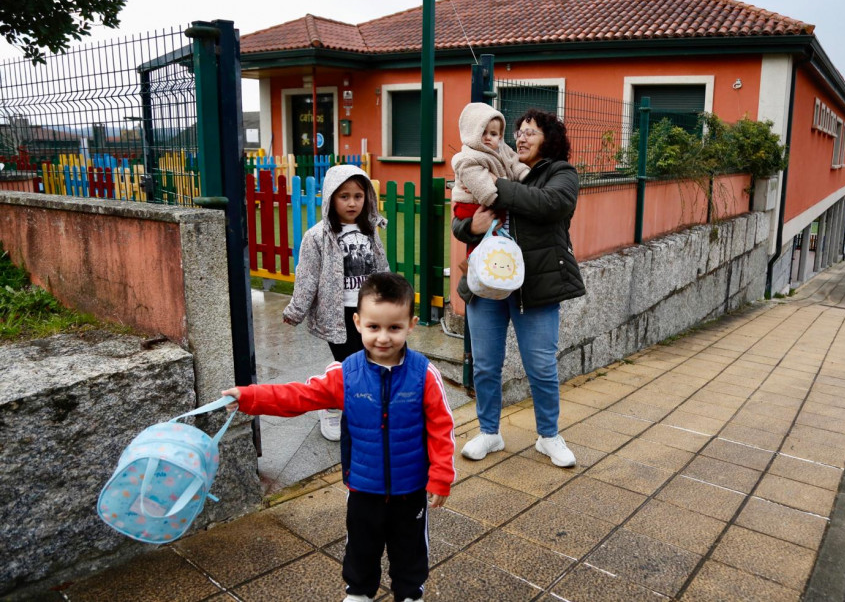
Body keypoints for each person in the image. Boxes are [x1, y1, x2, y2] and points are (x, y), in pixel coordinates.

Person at [222, 273, 455, 602]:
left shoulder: (424, 374)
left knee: (411, 550)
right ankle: (359, 593)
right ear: (358, 322)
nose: (383, 338)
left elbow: (441, 426)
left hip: (411, 489)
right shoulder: (345, 374)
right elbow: (299, 396)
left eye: (394, 327)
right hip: (363, 487)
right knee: (361, 546)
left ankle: (410, 594)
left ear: (411, 324)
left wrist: (441, 475)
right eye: (374, 327)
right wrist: (249, 397)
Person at [452, 108, 586, 468]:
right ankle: (489, 433)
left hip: (535, 285)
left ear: (550, 138)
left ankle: (548, 436)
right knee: (484, 365)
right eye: (519, 132)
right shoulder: (494, 162)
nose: (521, 137)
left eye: (531, 132)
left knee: (541, 366)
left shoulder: (560, 173)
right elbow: (460, 220)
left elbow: (551, 204)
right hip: (485, 281)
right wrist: (472, 228)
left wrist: (495, 188)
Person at [282, 164, 389, 441]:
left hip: (369, 311)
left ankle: (366, 408)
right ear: (330, 197)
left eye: (358, 195)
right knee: (347, 364)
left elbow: (381, 266)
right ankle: (330, 405)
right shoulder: (317, 236)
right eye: (344, 196)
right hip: (338, 313)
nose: (352, 203)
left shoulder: (369, 230)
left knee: (374, 360)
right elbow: (306, 276)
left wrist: (390, 298)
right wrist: (296, 310)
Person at [450, 102, 529, 254]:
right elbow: (478, 182)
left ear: (500, 136)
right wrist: (492, 197)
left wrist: (525, 174)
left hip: (491, 203)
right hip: (472, 205)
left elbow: (515, 163)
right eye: (482, 133)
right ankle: (480, 261)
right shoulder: (468, 157)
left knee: (496, 236)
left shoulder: (504, 150)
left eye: (493, 134)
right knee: (485, 244)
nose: (487, 138)